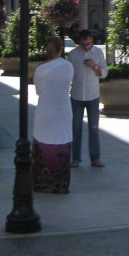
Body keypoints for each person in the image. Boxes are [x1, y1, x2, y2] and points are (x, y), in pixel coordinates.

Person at [32, 36, 74, 194]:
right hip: (63, 109)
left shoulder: (40, 69)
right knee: (62, 142)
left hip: (45, 110)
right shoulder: (68, 66)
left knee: (43, 144)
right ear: (60, 49)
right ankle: (60, 184)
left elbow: (38, 91)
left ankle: (41, 183)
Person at [68, 28, 107, 168]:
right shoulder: (73, 55)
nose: (86, 47)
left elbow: (104, 73)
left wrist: (94, 66)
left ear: (92, 41)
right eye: (83, 44)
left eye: (88, 44)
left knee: (94, 128)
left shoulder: (98, 52)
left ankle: (95, 158)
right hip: (77, 96)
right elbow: (68, 75)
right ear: (79, 42)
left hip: (92, 95)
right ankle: (76, 158)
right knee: (76, 127)